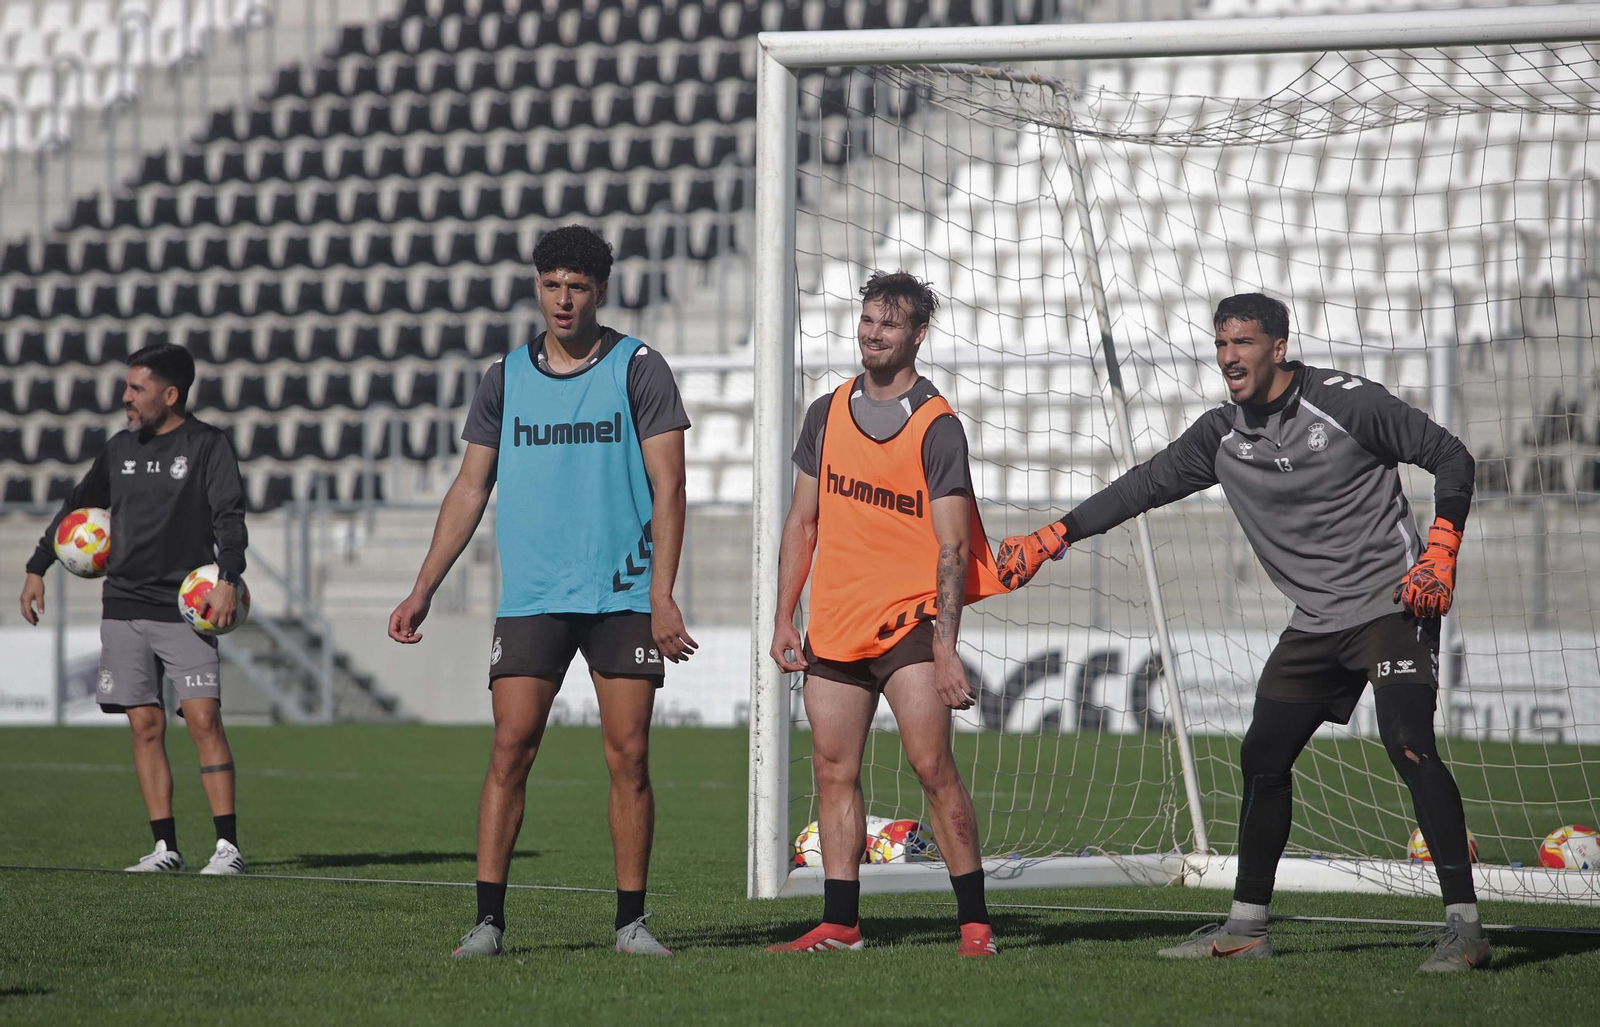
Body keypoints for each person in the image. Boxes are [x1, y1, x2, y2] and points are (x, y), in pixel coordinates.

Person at [996, 293, 1487, 972]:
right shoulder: (1218, 434)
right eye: (1221, 342)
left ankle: (1466, 928)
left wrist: (1441, 550)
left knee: (1408, 744)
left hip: (1390, 606)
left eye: (1243, 342)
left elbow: (1453, 457)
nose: (1229, 356)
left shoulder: (1348, 403)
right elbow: (1142, 486)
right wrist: (1055, 534)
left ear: (1279, 347)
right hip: (1315, 622)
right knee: (1262, 755)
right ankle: (1247, 926)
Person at [388, 225, 694, 959]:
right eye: (552, 284)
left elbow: (670, 484)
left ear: (601, 291)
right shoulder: (505, 376)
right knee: (510, 747)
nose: (564, 299)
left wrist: (662, 593)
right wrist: (423, 585)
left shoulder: (639, 367)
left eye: (578, 287)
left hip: (621, 593)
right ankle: (488, 922)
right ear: (536, 286)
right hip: (532, 595)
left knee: (628, 755)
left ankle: (630, 923)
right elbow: (469, 486)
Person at [766, 271, 1005, 957]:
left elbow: (954, 545)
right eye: (868, 319)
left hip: (907, 629)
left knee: (933, 767)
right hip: (834, 628)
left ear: (917, 334)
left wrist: (946, 645)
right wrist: (786, 616)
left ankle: (975, 926)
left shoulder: (937, 426)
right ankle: (840, 922)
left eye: (889, 323)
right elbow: (802, 521)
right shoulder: (827, 410)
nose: (873, 332)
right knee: (832, 771)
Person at [19, 343, 249, 876]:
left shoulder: (208, 446)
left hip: (184, 608)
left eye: (136, 388)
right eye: (126, 387)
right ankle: (164, 848)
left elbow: (229, 517)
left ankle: (226, 848)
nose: (125, 397)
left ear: (170, 395)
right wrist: (38, 565)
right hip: (122, 605)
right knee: (143, 724)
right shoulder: (119, 446)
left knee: (204, 719)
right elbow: (74, 509)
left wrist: (230, 578)